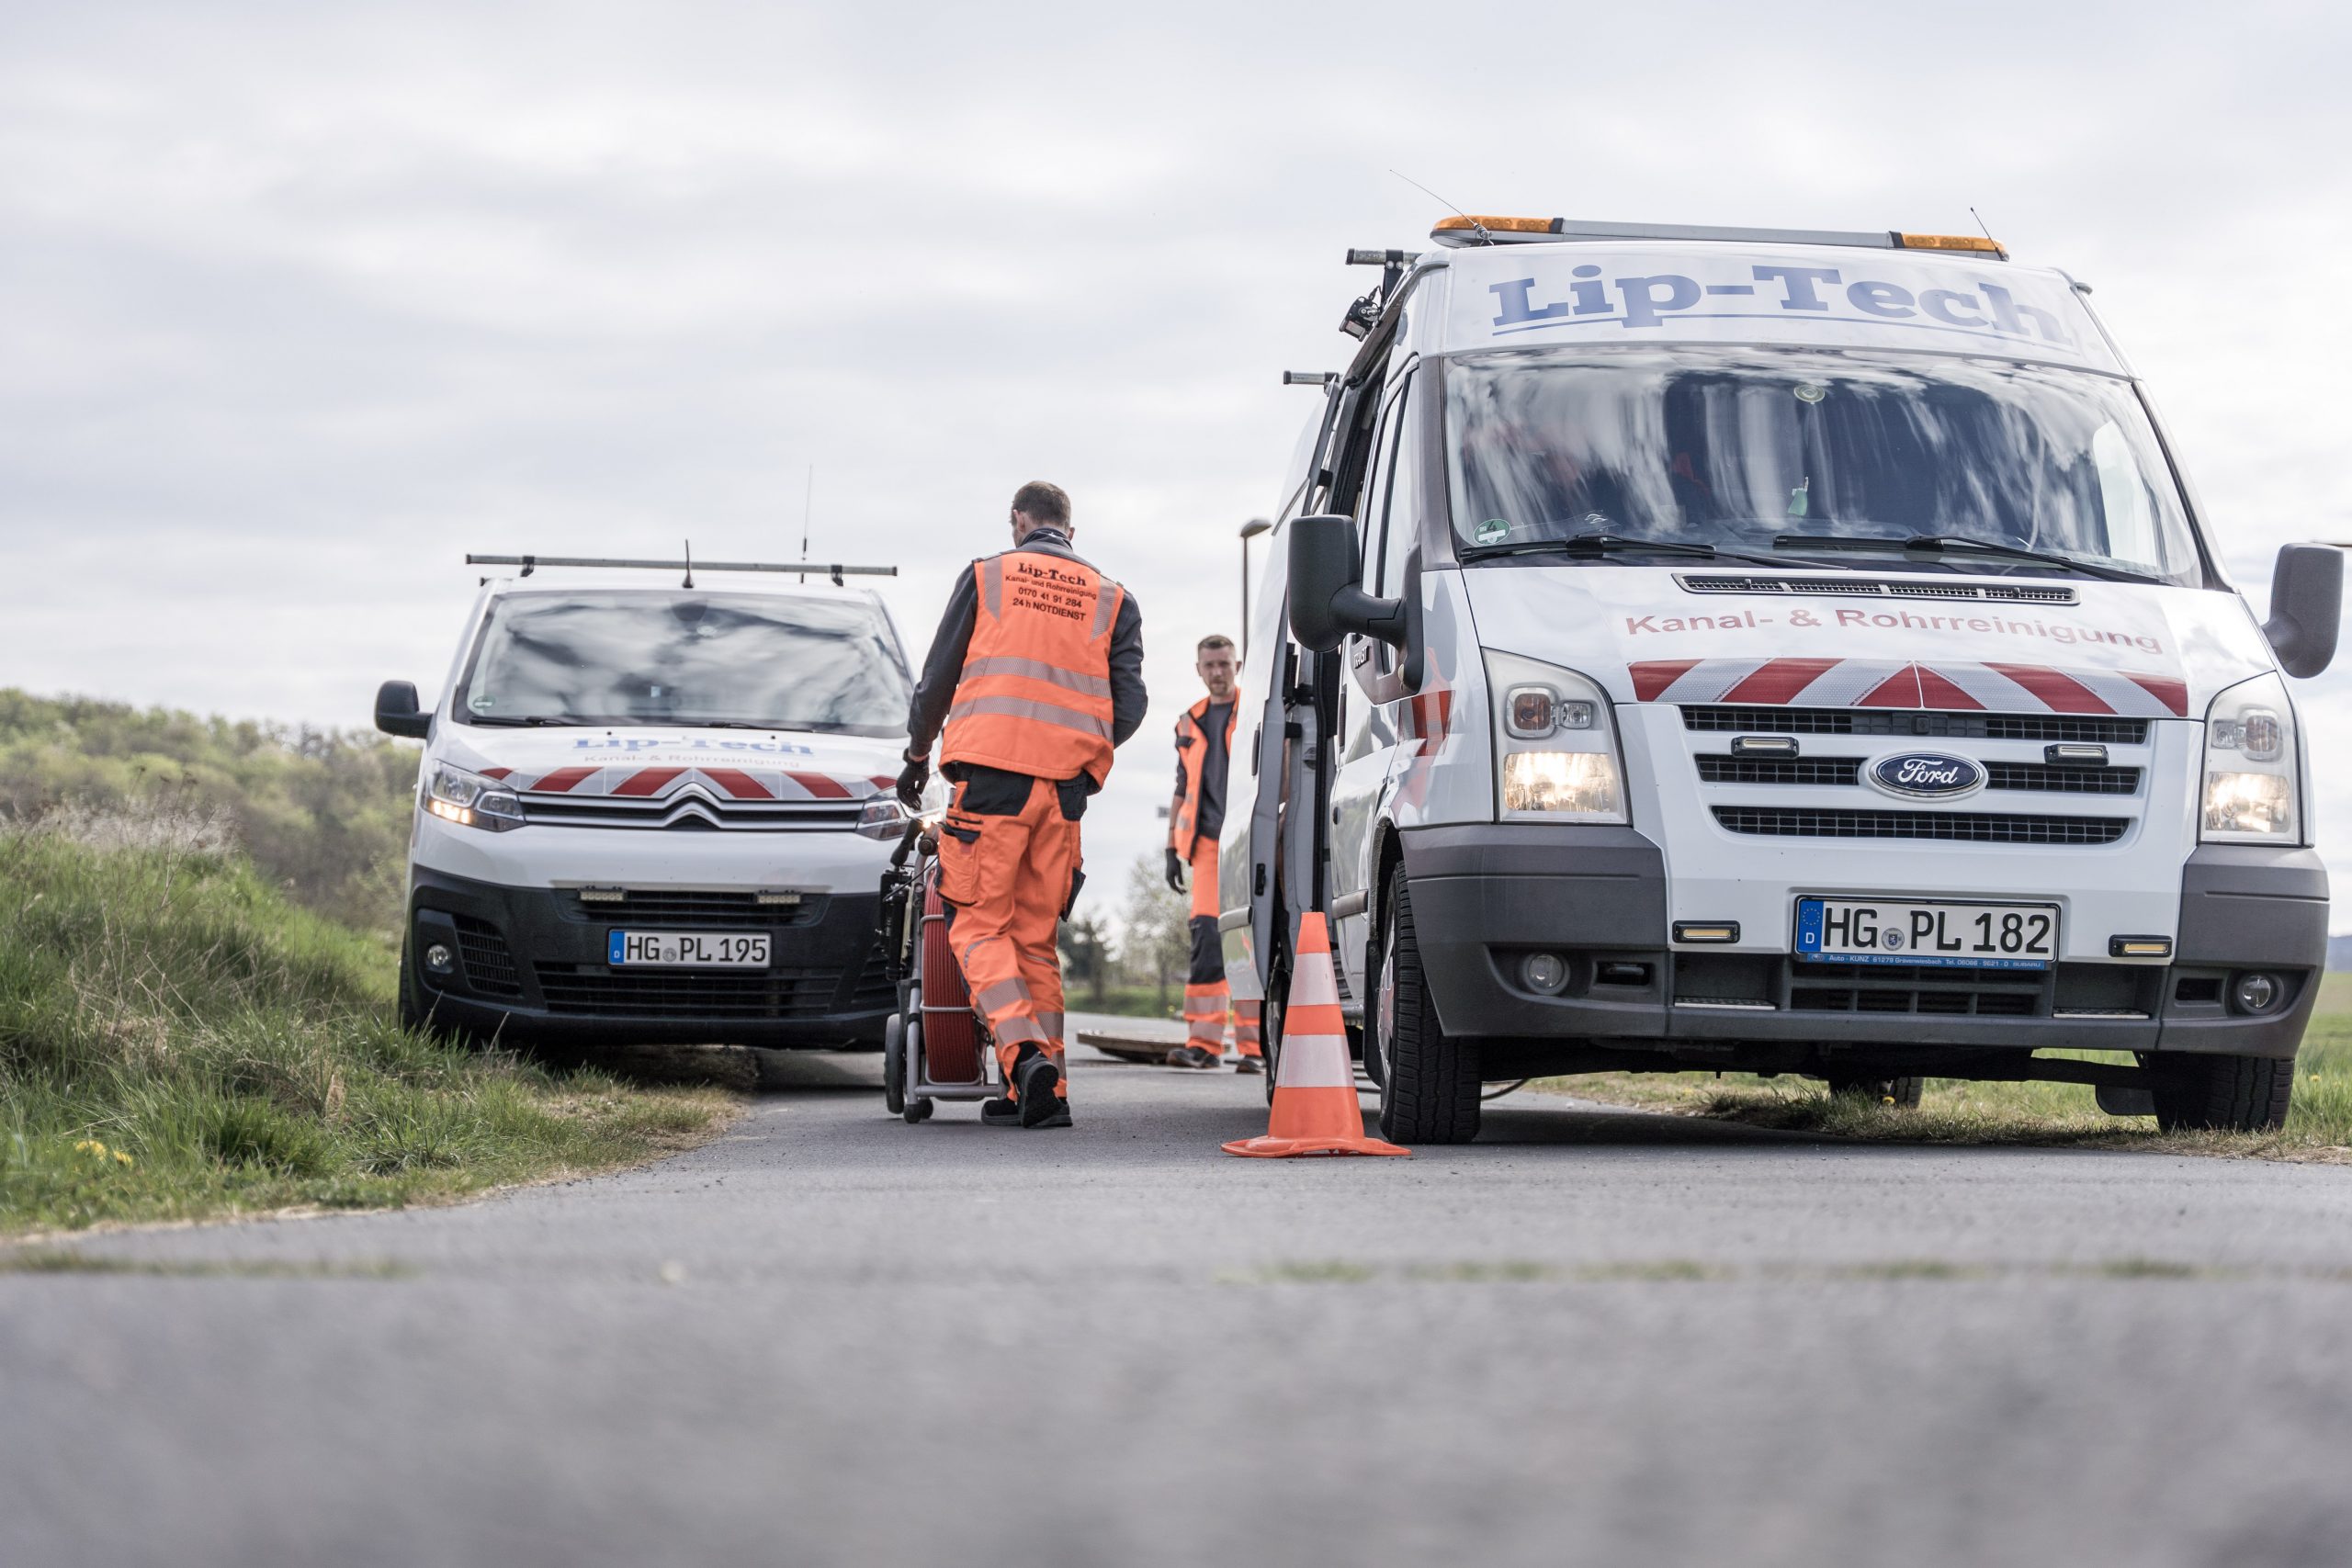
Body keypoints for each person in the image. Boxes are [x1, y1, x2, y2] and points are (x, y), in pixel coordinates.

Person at [897, 481, 1147, 1129]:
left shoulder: (988, 576)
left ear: (1018, 521)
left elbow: (936, 684)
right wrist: (1077, 752)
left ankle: (1026, 1052)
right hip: (1062, 795)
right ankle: (1043, 1091)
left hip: (991, 787)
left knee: (977, 925)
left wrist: (917, 757)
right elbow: (1132, 704)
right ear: (1071, 528)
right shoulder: (1114, 598)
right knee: (1036, 941)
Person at [1161, 634, 1262, 1074]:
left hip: (1249, 841)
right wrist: (1170, 847)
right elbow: (1182, 788)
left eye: (1224, 664)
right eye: (1210, 665)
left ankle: (1256, 1048)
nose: (1218, 672)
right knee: (1207, 941)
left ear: (1237, 666)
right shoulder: (1189, 722)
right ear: (1198, 670)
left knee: (1252, 940)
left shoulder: (1257, 710)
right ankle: (1203, 1043)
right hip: (1205, 847)